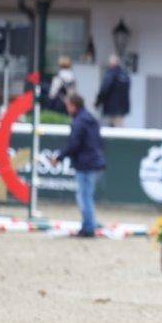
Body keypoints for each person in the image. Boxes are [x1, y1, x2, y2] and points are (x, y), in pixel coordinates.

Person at [51, 93, 106, 237]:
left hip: (86, 163)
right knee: (87, 195)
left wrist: (59, 158)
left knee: (84, 197)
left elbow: (73, 144)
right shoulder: (90, 118)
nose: (66, 108)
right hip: (95, 161)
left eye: (68, 105)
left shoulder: (79, 121)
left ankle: (88, 228)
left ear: (74, 106)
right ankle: (90, 224)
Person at [95, 54, 131, 127]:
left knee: (112, 128)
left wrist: (98, 102)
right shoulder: (124, 74)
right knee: (119, 126)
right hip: (122, 108)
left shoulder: (110, 74)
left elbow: (104, 89)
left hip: (111, 108)